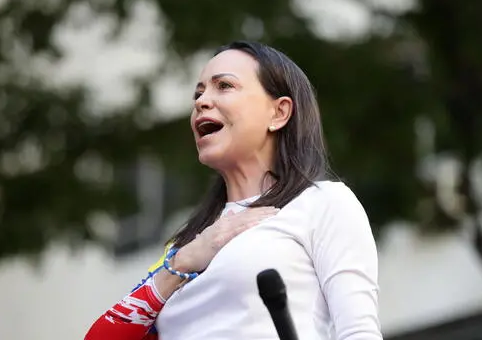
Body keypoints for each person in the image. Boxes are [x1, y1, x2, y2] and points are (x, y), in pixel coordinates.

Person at [84, 41, 382, 340]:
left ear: (279, 112)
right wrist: (183, 262)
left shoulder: (322, 203)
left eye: (224, 86)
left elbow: (359, 333)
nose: (201, 101)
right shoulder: (186, 246)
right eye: (198, 94)